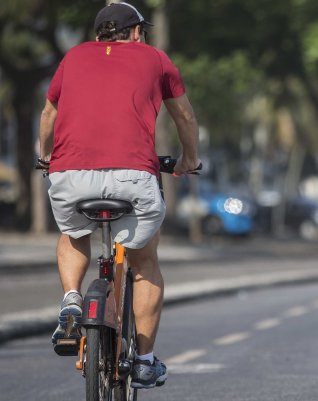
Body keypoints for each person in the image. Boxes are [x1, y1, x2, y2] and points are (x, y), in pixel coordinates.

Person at [38, 2, 201, 389]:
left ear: (98, 34)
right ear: (136, 33)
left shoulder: (73, 57)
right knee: (144, 261)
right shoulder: (156, 60)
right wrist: (188, 160)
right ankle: (144, 361)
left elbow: (48, 114)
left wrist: (45, 157)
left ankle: (73, 300)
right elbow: (185, 117)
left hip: (71, 175)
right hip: (134, 178)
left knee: (73, 233)